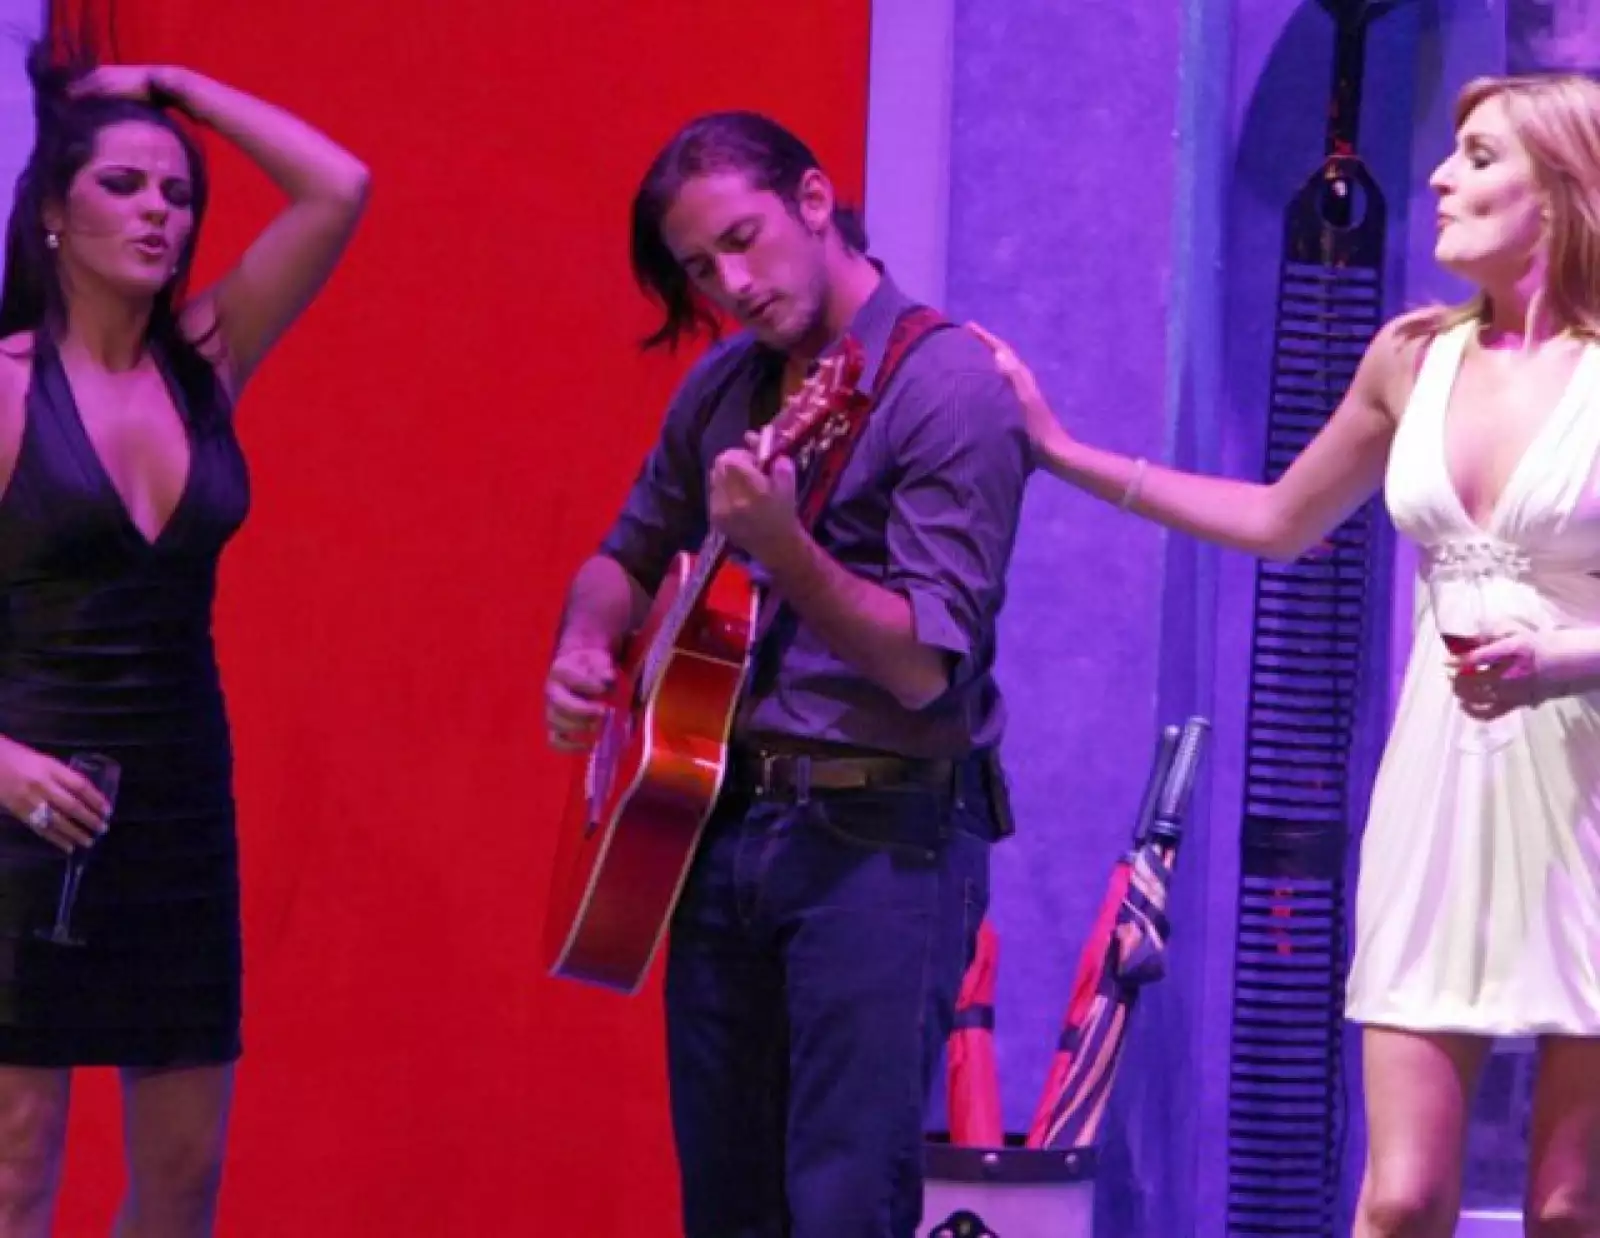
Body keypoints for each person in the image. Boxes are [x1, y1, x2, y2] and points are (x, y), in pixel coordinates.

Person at [975, 73, 1600, 1238]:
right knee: (1404, 1194)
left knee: (1569, 1206)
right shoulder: (1413, 357)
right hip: (1445, 787)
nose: (1437, 178)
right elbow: (1278, 518)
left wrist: (1565, 654)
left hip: (1587, 794)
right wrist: (1061, 454)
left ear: (1560, 194)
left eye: (1475, 156)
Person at [542, 111, 1028, 1237]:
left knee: (842, 1204)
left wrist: (783, 546)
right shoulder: (721, 388)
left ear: (815, 201)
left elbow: (921, 663)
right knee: (726, 1207)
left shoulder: (948, 385)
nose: (733, 283)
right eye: (702, 268)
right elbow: (621, 558)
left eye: (745, 239)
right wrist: (582, 642)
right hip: (719, 831)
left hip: (881, 839)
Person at [0, 40, 368, 1238]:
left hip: (175, 806)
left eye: (178, 193)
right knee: (17, 1162)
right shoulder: (4, 387)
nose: (160, 209)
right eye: (123, 185)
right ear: (53, 210)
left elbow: (338, 188)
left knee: (182, 1173)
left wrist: (179, 94)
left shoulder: (205, 358)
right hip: (26, 806)